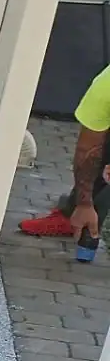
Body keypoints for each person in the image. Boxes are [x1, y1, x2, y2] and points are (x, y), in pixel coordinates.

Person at [20, 64, 110, 242]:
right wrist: (84, 203)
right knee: (99, 152)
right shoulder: (105, 88)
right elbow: (88, 149)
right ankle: (73, 214)